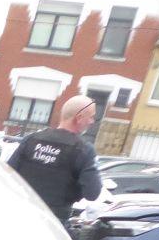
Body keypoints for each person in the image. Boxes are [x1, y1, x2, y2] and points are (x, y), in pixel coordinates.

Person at [8, 95, 103, 225]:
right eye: (91, 117)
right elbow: (92, 193)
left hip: (20, 214)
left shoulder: (31, 139)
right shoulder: (84, 150)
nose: (92, 121)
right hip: (53, 223)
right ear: (79, 117)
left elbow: (7, 174)